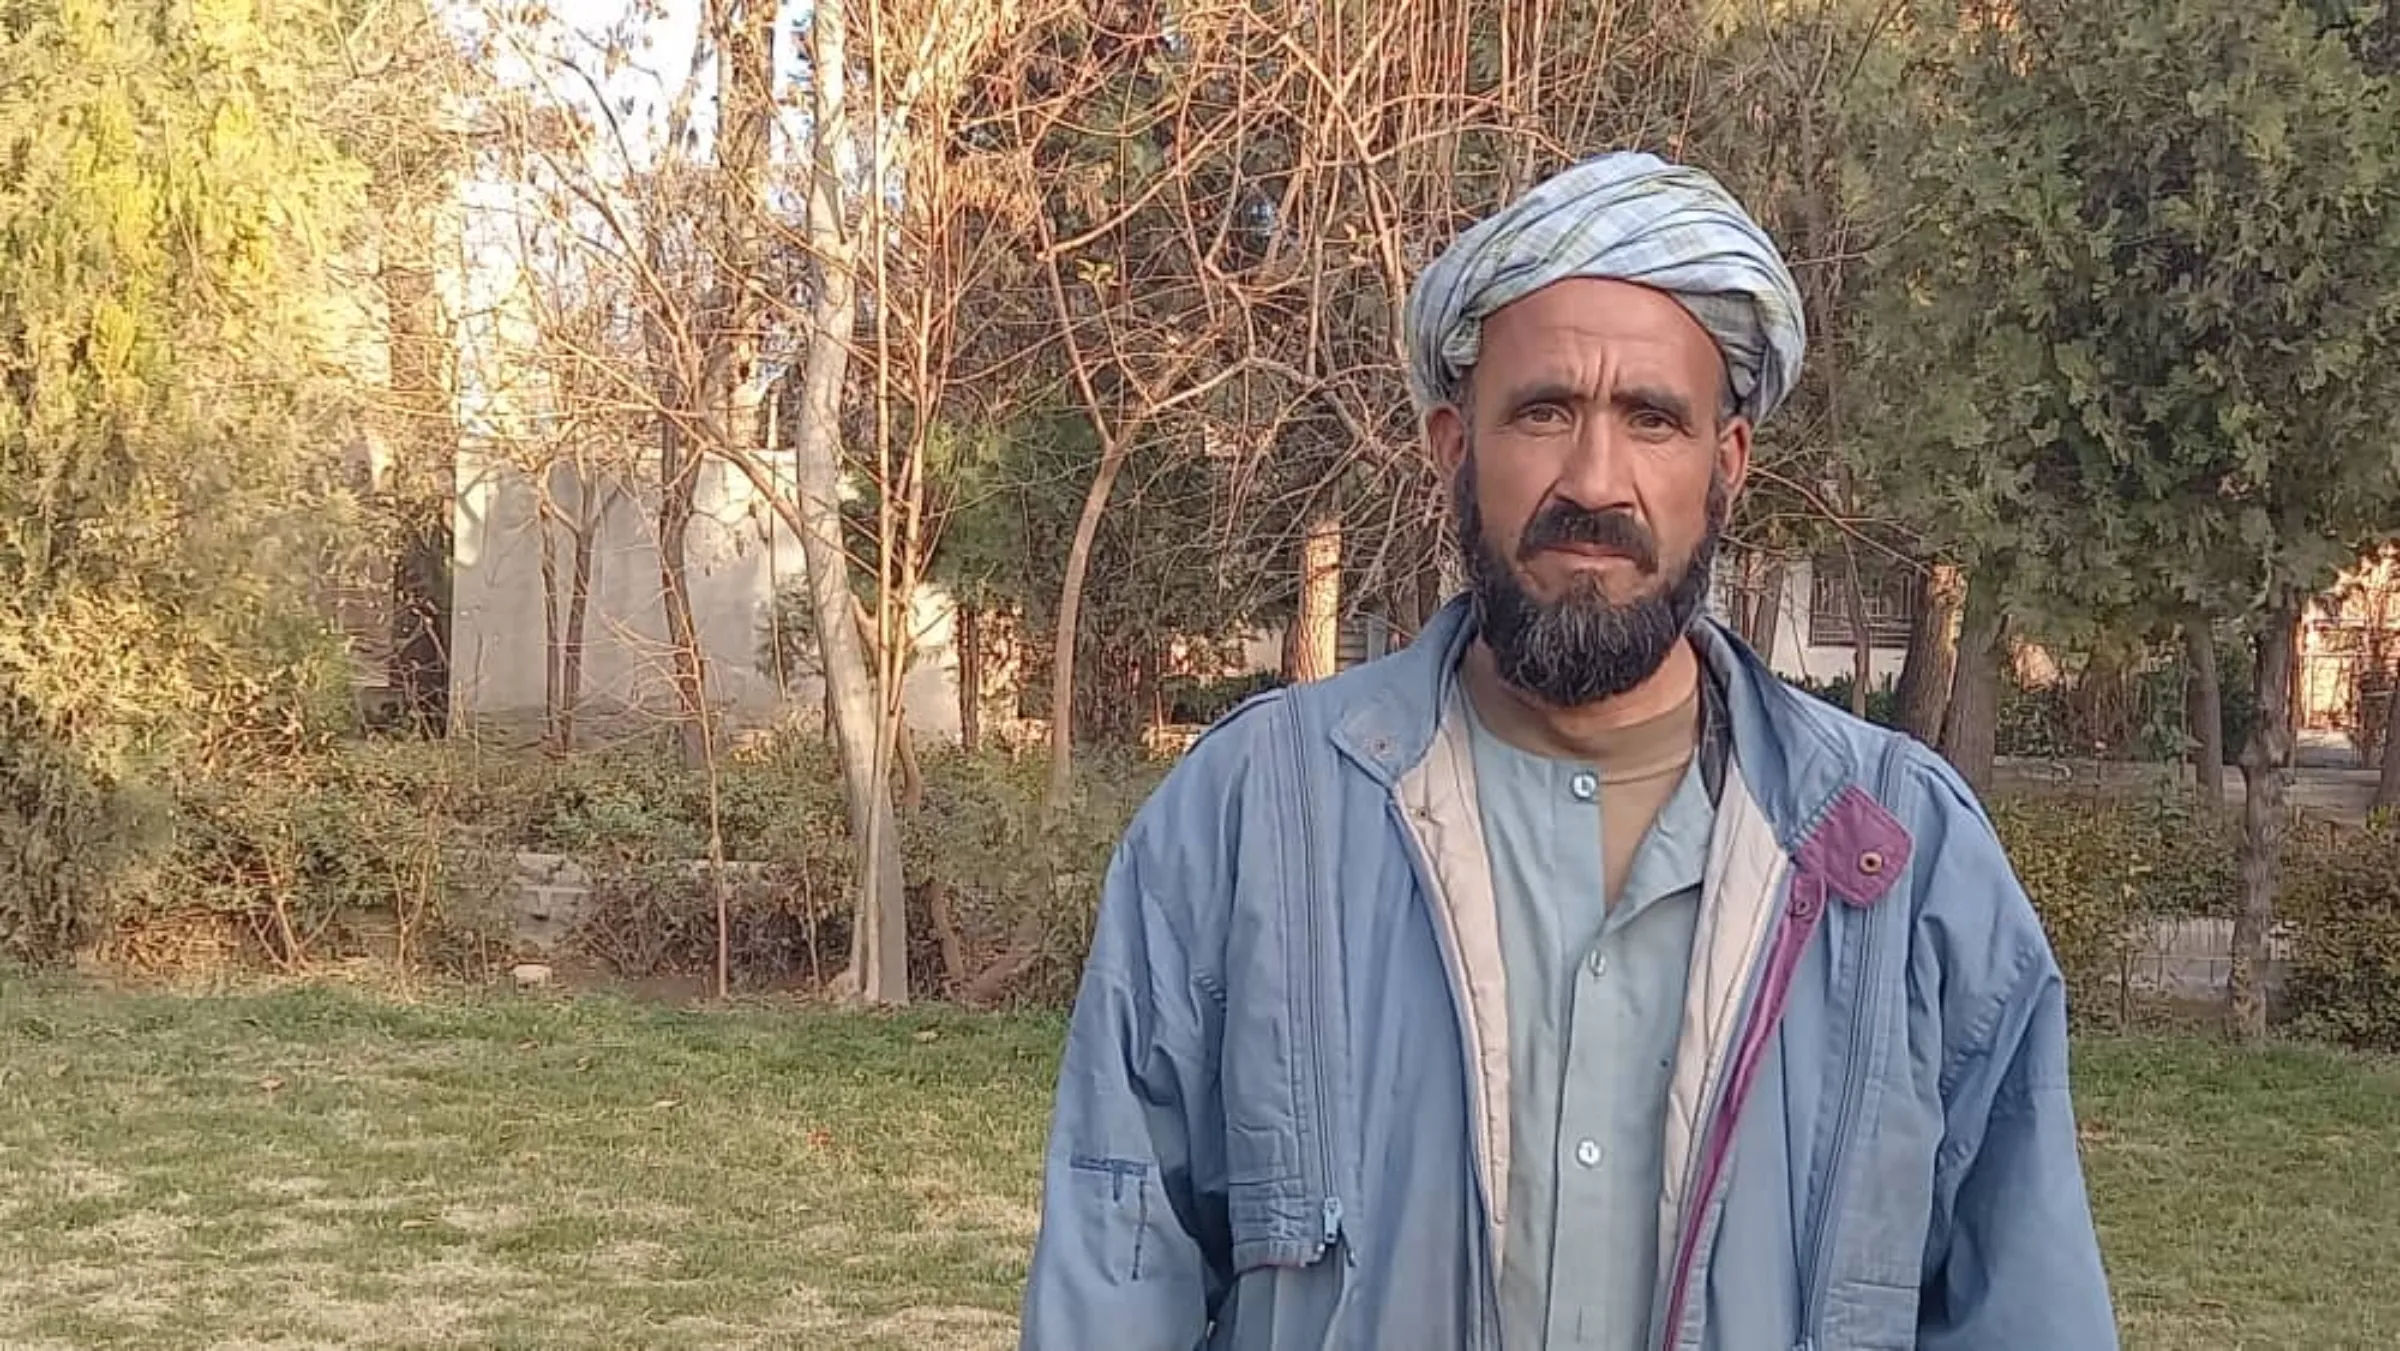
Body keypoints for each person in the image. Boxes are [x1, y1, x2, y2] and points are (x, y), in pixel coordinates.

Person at [1017, 151, 2116, 1351]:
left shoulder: (1905, 862)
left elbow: (2024, 1307)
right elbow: (1117, 1285)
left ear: (1727, 465)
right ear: (1453, 443)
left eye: (1653, 418)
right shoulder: (1245, 823)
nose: (1595, 481)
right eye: (1544, 410)